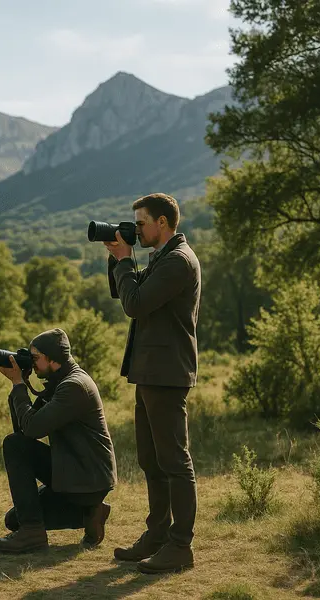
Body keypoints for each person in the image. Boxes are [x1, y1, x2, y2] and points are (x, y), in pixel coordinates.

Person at [104, 192, 201, 574]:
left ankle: (181, 545)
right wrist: (118, 260)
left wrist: (126, 261)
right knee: (151, 460)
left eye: (141, 223)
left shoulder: (178, 261)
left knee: (175, 461)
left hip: (166, 374)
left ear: (163, 222)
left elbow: (136, 304)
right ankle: (157, 535)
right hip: (150, 372)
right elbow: (123, 292)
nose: (137, 229)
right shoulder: (161, 257)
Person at [0, 327, 118, 554]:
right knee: (13, 520)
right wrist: (20, 383)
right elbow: (24, 428)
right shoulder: (60, 380)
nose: (33, 362)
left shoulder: (74, 386)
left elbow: (31, 430)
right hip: (72, 467)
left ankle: (33, 533)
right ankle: (89, 513)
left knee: (14, 445)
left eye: (36, 358)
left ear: (53, 359)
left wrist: (20, 385)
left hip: (87, 476)